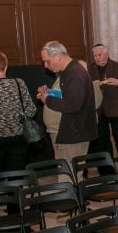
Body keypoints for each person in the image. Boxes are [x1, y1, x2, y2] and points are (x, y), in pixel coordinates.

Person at [37, 41, 97, 172]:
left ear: (58, 56)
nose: (45, 66)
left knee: (68, 176)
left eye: (47, 61)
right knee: (73, 174)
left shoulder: (74, 73)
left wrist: (47, 99)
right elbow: (68, 96)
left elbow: (73, 105)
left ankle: (69, 193)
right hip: (71, 132)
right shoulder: (67, 71)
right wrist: (50, 93)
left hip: (72, 134)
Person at [89, 44, 118, 171]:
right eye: (95, 56)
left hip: (114, 108)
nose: (97, 58)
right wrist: (92, 85)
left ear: (106, 54)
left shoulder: (117, 66)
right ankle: (108, 168)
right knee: (104, 140)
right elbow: (85, 88)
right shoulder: (90, 68)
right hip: (99, 109)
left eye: (99, 55)